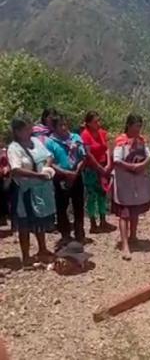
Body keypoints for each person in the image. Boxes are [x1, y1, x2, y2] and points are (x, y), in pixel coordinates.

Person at [7, 117, 56, 266]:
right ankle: (26, 255)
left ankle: (42, 249)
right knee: (25, 222)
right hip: (25, 190)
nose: (30, 131)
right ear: (17, 131)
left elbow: (49, 156)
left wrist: (46, 168)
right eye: (26, 129)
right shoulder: (14, 148)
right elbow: (15, 170)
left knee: (40, 220)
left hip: (41, 188)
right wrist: (37, 175)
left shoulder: (36, 142)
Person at [113, 114, 150, 260]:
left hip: (138, 181)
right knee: (124, 213)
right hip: (124, 182)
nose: (138, 129)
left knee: (135, 210)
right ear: (129, 125)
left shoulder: (141, 141)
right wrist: (131, 166)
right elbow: (116, 160)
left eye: (140, 126)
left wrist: (141, 165)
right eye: (136, 126)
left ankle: (134, 237)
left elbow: (149, 156)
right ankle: (125, 244)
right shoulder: (121, 141)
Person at [45, 114, 87, 245]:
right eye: (60, 125)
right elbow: (50, 162)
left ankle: (79, 232)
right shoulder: (50, 142)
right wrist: (65, 173)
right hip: (60, 177)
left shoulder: (75, 138)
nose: (64, 127)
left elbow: (83, 156)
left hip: (76, 175)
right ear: (55, 127)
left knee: (78, 205)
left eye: (65, 124)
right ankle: (65, 234)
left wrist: (75, 172)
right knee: (62, 207)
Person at [80, 111, 112, 233]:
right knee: (92, 195)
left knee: (102, 193)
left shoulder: (102, 133)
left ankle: (103, 219)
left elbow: (107, 149)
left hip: (103, 166)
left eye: (99, 121)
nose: (98, 123)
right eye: (95, 121)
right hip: (91, 169)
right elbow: (88, 154)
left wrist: (108, 164)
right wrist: (99, 167)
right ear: (88, 123)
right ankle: (93, 222)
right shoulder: (85, 135)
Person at [0, 140, 10, 226]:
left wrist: (6, 168)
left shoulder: (4, 152)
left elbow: (7, 163)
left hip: (2, 178)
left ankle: (3, 217)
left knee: (3, 198)